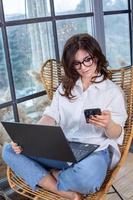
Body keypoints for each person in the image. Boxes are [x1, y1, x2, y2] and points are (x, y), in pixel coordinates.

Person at [2, 33, 127, 200]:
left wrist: (108, 124)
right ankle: (63, 190)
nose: (83, 67)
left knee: (88, 178)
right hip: (63, 148)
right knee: (9, 150)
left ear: (96, 56)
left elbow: (117, 133)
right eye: (76, 63)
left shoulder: (112, 92)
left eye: (87, 60)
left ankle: (49, 174)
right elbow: (50, 117)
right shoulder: (65, 88)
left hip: (96, 150)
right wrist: (29, 139)